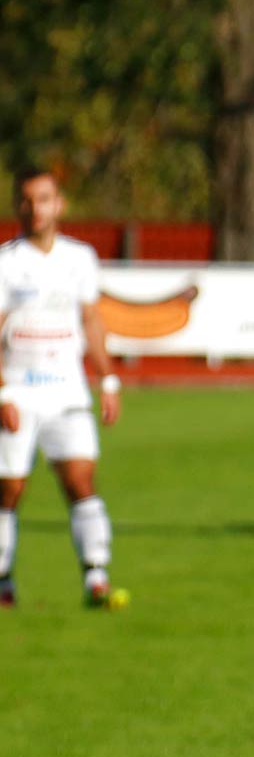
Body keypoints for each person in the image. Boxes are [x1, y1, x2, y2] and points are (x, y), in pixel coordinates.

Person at [0, 168, 124, 610]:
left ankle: (96, 574)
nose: (36, 208)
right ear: (18, 205)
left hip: (67, 390)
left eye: (45, 199)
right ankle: (3, 577)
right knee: (9, 489)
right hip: (17, 390)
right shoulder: (7, 261)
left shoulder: (80, 258)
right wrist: (2, 393)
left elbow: (91, 318)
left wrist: (107, 378)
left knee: (81, 479)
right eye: (28, 200)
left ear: (60, 205)